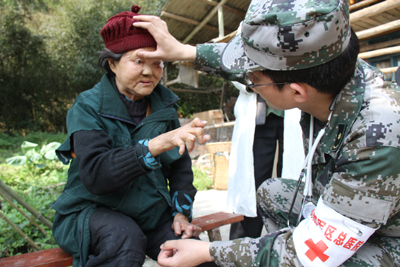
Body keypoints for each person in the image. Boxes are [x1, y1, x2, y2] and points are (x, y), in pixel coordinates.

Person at [133, 0, 400, 266]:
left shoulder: (376, 138)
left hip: (389, 237)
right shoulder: (328, 61)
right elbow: (254, 64)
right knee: (272, 191)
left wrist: (209, 252)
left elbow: (313, 251)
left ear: (296, 92)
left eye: (252, 80)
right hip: (350, 214)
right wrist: (185, 51)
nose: (246, 78)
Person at [50, 5, 216, 267]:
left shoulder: (165, 106)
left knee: (197, 255)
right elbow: (96, 176)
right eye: (138, 61)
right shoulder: (88, 106)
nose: (149, 72)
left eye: (157, 63)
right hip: (91, 211)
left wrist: (181, 214)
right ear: (113, 63)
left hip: (148, 213)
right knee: (125, 240)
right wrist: (157, 144)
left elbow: (180, 167)